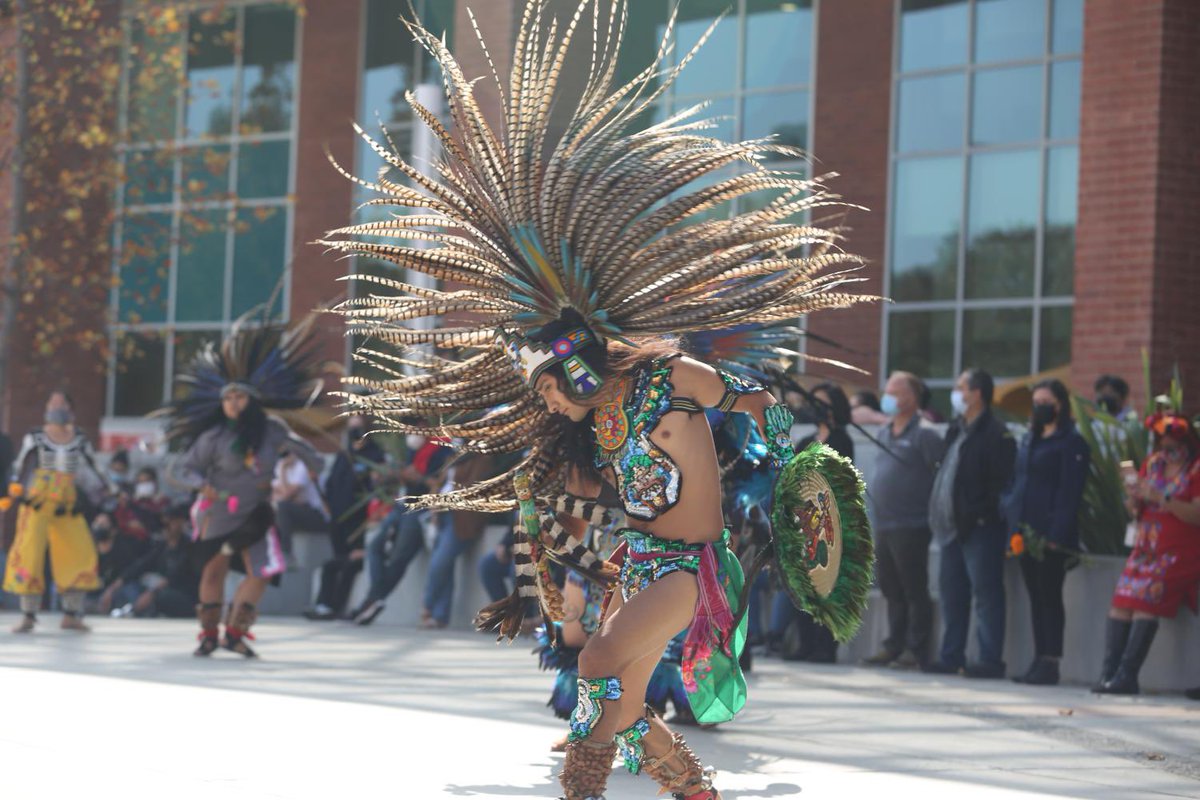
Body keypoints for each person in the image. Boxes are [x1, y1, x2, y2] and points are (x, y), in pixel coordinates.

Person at [322, 4, 873, 797]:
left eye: (547, 384)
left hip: (689, 568)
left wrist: (790, 464)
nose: (545, 402)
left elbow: (747, 397)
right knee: (615, 686)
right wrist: (553, 557)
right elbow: (588, 502)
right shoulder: (602, 424)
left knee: (597, 667)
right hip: (640, 563)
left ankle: (599, 786)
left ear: (576, 366)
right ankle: (689, 786)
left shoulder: (669, 378)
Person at [163, 317, 324, 657]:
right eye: (227, 398)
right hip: (217, 511)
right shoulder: (214, 437)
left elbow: (308, 452)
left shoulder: (272, 430)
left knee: (264, 570)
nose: (233, 403)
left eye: (239, 397)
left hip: (257, 514)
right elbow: (184, 467)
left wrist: (311, 467)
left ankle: (235, 633)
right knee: (213, 570)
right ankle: (208, 634)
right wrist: (200, 484)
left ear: (252, 400)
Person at [1093, 412, 1200, 695]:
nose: (1168, 450)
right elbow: (1134, 507)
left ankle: (1128, 675)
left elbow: (1196, 514)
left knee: (1144, 603)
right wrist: (1133, 497)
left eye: (1173, 444)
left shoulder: (1196, 469)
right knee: (1121, 602)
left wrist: (1161, 497)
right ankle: (1109, 673)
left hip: (1178, 551)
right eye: (1163, 444)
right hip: (1145, 548)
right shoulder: (1152, 465)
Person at [925, 369, 1015, 679]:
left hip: (979, 528)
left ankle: (989, 660)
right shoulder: (955, 429)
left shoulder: (996, 434)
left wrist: (978, 513)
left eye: (960, 387)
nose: (956, 393)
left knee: (986, 595)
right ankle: (952, 656)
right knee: (952, 596)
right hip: (950, 529)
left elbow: (1000, 484)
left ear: (977, 394)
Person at [1, 390, 112, 633]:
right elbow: (22, 465)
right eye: (52, 403)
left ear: (70, 410)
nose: (56, 407)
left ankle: (71, 614)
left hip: (67, 504)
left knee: (79, 552)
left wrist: (108, 495)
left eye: (61, 403)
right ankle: (28, 614)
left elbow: (92, 469)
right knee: (29, 553)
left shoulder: (79, 438)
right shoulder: (36, 437)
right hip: (37, 502)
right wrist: (14, 493)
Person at [1005, 378, 1090, 686]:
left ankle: (1051, 660)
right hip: (1025, 532)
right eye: (1036, 402)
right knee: (1035, 596)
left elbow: (1070, 493)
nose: (1039, 408)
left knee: (1050, 596)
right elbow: (1018, 482)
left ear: (1059, 405)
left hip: (1051, 535)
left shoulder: (1072, 443)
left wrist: (1056, 534)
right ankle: (1039, 658)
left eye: (1045, 402)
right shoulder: (1031, 438)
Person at [863, 371, 944, 669]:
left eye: (894, 392)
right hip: (884, 523)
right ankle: (893, 644)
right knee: (890, 588)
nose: (887, 397)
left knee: (913, 588)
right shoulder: (885, 432)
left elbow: (941, 476)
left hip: (912, 524)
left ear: (911, 398)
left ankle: (915, 648)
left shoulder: (925, 433)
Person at [769, 382, 854, 663]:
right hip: (805, 522)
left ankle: (825, 646)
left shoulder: (842, 439)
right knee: (805, 585)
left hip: (830, 523)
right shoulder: (807, 441)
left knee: (828, 585)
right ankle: (805, 643)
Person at [349, 433, 450, 625]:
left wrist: (419, 478)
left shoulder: (442, 448)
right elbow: (405, 476)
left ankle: (371, 601)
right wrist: (395, 474)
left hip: (420, 511)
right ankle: (375, 598)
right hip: (401, 505)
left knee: (399, 558)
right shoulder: (413, 448)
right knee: (375, 547)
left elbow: (439, 484)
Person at [305, 416, 383, 620]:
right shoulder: (344, 454)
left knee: (347, 565)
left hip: (359, 523)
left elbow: (376, 491)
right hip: (338, 519)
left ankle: (332, 607)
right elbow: (331, 485)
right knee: (335, 562)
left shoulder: (375, 455)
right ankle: (324, 606)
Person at [98, 504, 198, 618]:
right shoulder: (162, 546)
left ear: (180, 522)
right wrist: (112, 589)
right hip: (158, 590)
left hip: (183, 594)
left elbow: (175, 576)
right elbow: (139, 566)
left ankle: (139, 610)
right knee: (127, 588)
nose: (164, 529)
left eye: (168, 524)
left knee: (162, 597)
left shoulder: (189, 547)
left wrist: (152, 593)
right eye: (161, 525)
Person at [271, 444, 329, 559]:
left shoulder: (304, 465)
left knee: (283, 507)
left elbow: (286, 495)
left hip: (317, 514)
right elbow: (271, 494)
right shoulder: (280, 465)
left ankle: (286, 552)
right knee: (269, 509)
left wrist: (283, 470)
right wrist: (286, 495)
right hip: (298, 510)